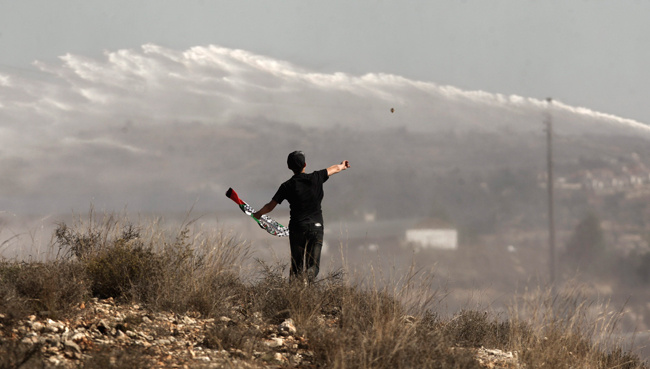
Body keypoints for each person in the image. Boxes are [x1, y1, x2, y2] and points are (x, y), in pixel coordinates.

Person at [253, 151, 350, 282]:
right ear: (305, 164)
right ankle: (306, 280)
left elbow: (270, 206)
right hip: (316, 227)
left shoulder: (286, 186)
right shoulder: (317, 177)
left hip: (297, 228)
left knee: (296, 268)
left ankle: (295, 293)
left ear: (289, 167)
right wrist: (342, 165)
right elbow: (335, 168)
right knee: (313, 267)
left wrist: (258, 214)